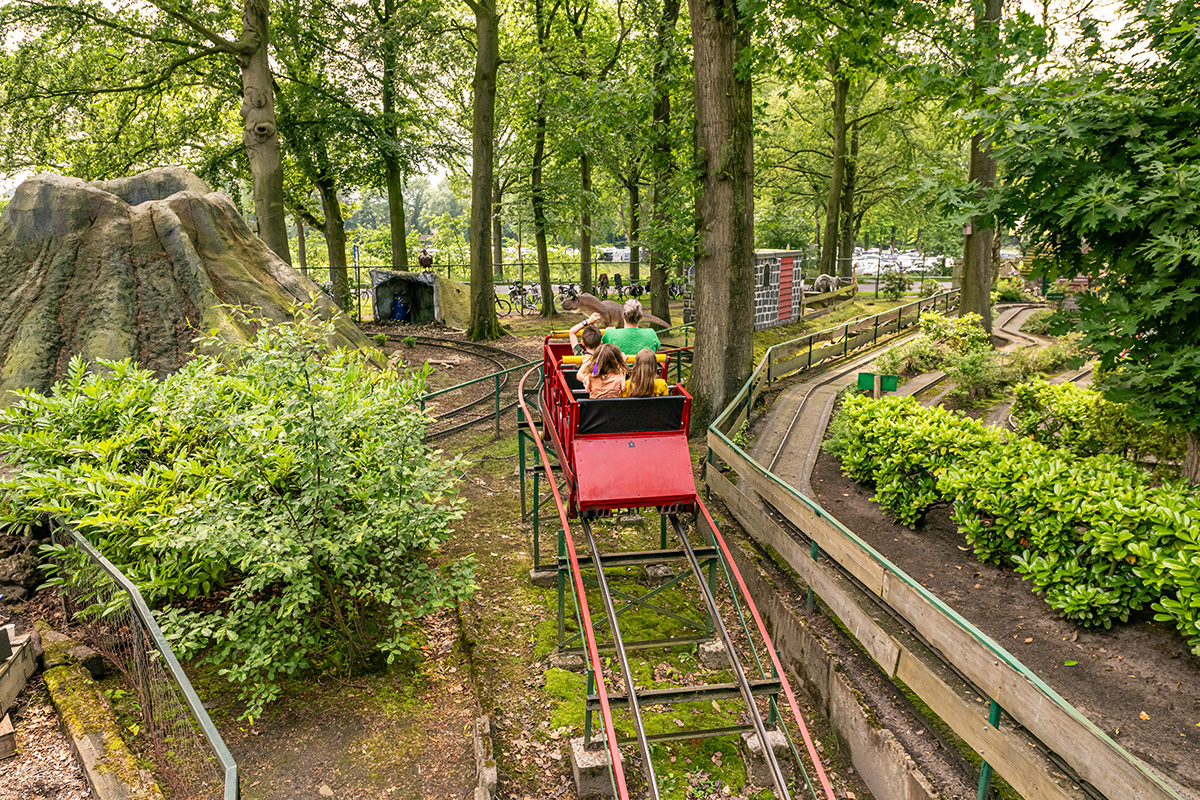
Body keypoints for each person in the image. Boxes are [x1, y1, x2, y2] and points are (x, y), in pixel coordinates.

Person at [568, 312, 604, 382]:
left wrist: (588, 321)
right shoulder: (603, 357)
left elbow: (572, 332)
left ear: (582, 343)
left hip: (578, 389)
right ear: (600, 343)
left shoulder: (579, 353)